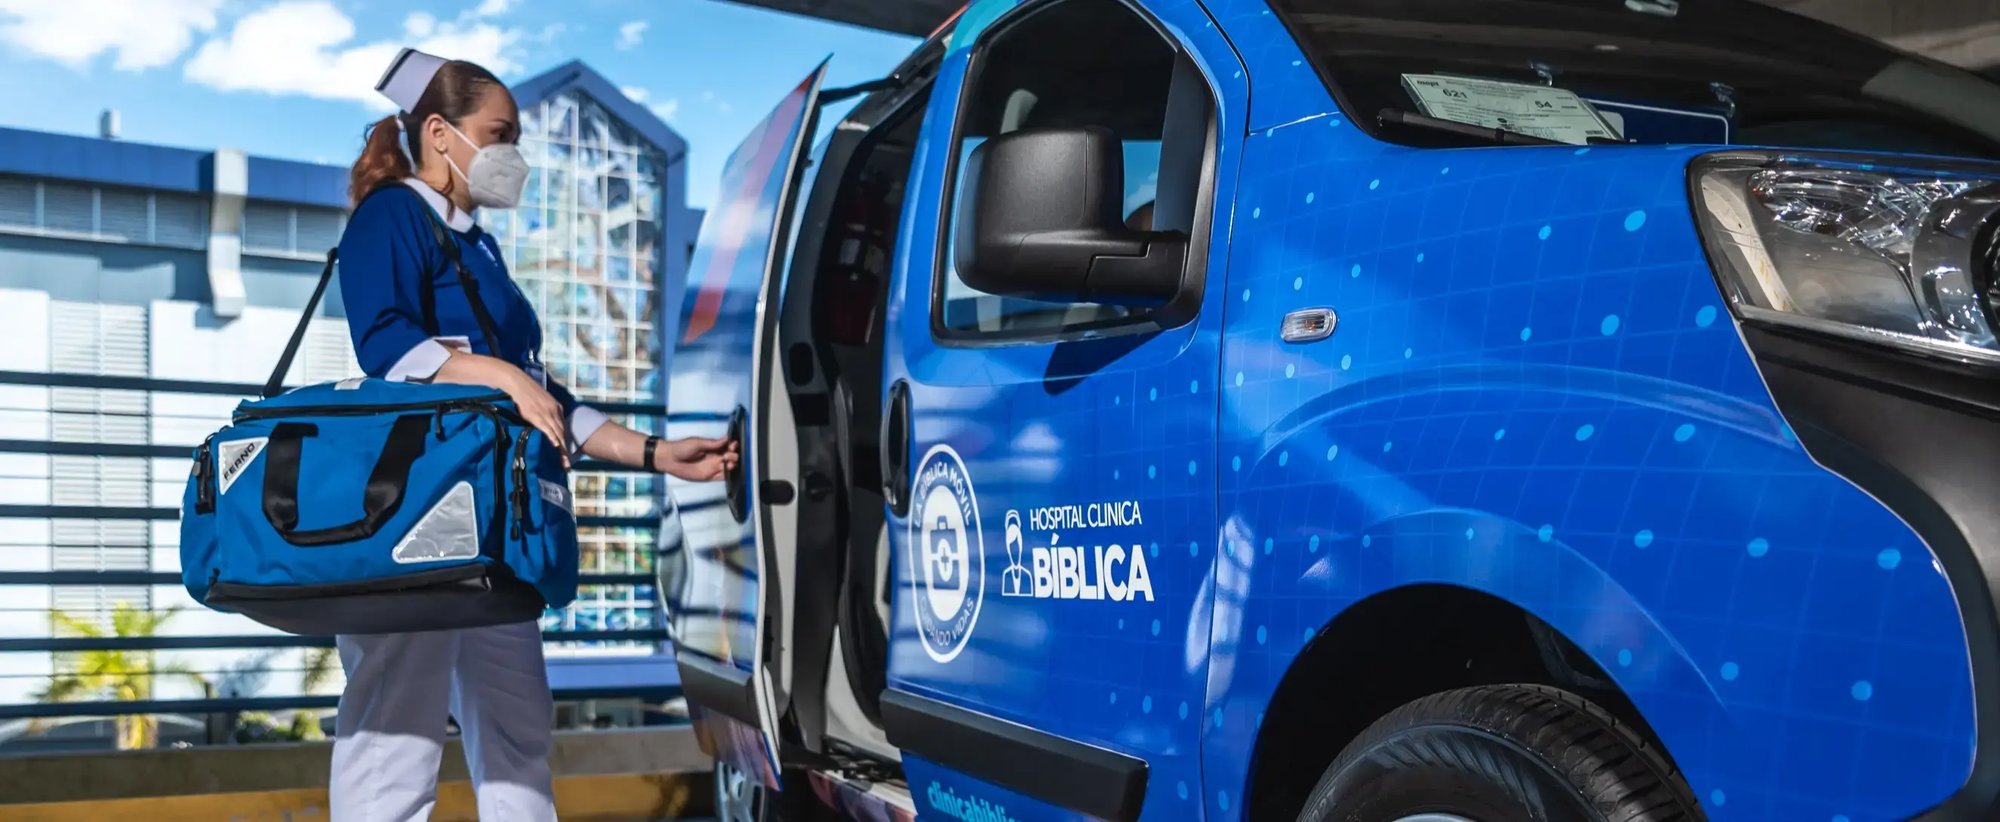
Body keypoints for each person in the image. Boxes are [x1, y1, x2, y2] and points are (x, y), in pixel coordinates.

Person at [328, 49, 737, 821]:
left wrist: (658, 456)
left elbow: (548, 394)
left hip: (493, 522)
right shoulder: (391, 214)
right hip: (417, 515)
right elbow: (386, 346)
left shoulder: (475, 243)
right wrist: (506, 379)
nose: (515, 153)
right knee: (395, 738)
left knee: (518, 731)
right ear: (441, 133)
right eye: (501, 132)